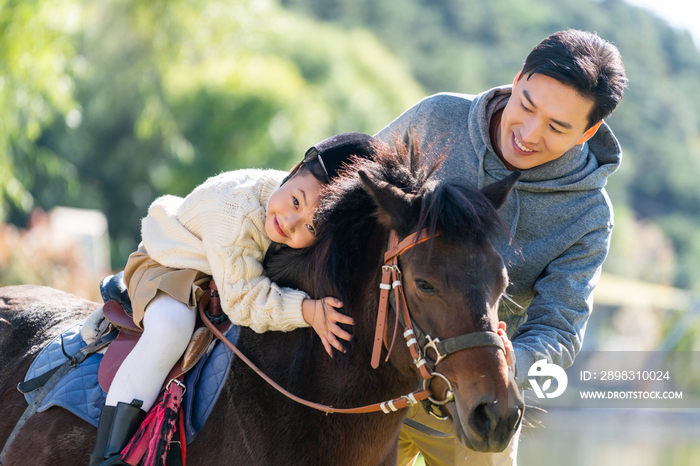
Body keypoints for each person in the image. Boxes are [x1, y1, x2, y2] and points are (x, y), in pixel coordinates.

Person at [373, 29, 627, 465]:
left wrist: (514, 360)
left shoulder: (589, 216)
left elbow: (561, 329)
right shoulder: (437, 117)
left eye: (557, 126)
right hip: (371, 380)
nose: (528, 133)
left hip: (477, 401)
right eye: (526, 106)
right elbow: (348, 190)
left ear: (588, 132)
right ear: (517, 78)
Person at [88, 132, 377, 466]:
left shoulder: (286, 202)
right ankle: (107, 453)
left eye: (311, 228)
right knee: (170, 329)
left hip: (217, 269)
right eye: (296, 203)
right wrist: (307, 310)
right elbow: (243, 301)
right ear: (296, 168)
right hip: (171, 264)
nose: (291, 223)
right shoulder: (235, 211)